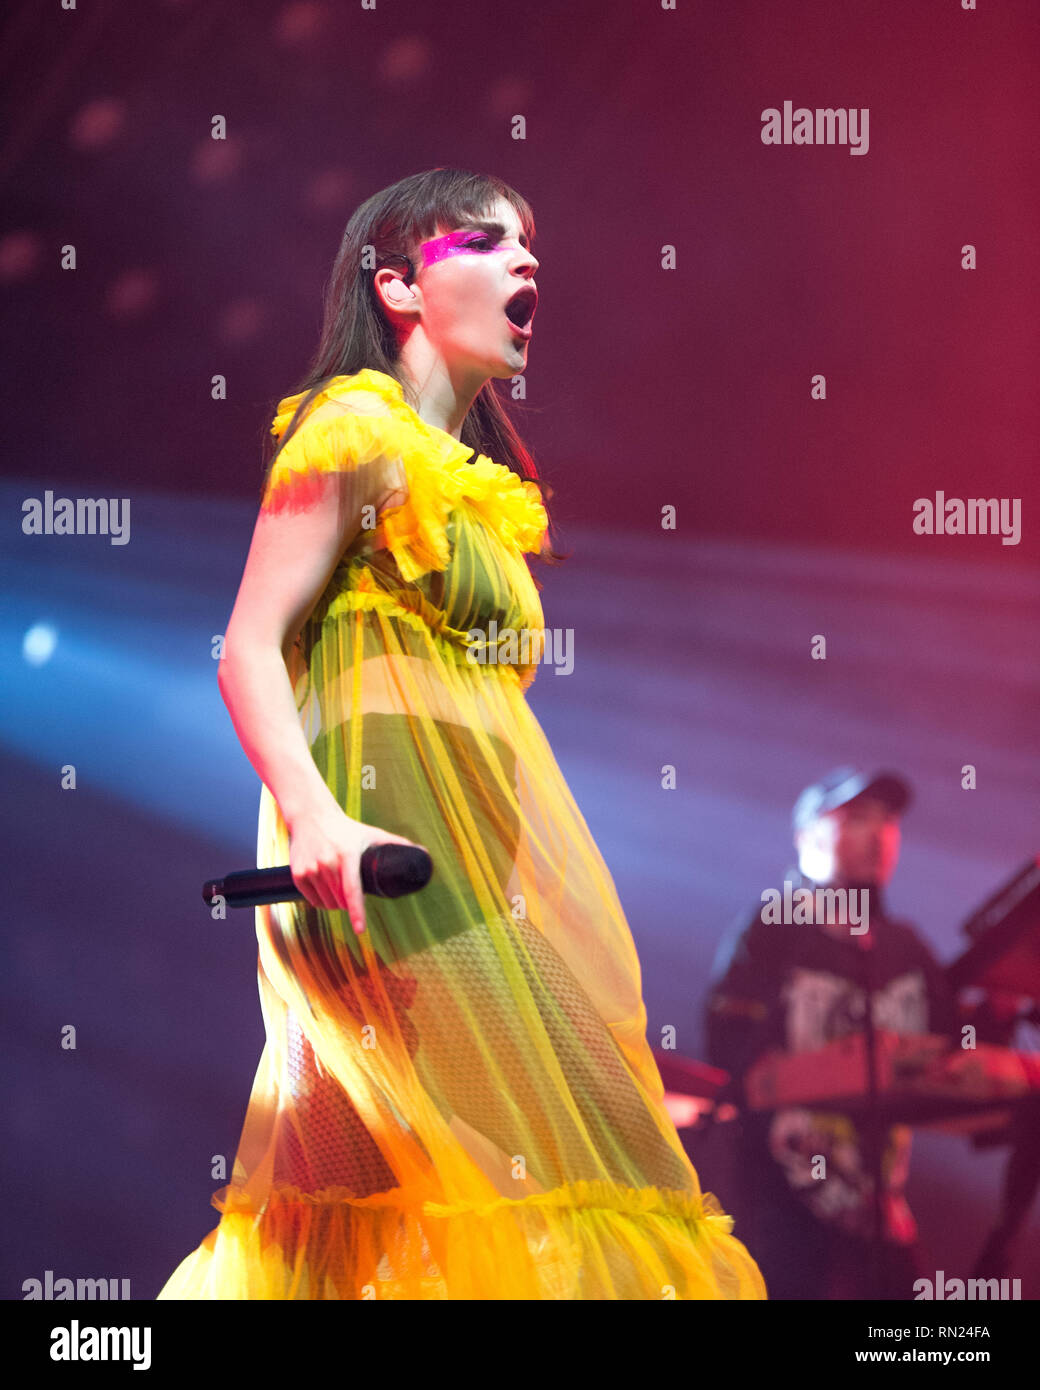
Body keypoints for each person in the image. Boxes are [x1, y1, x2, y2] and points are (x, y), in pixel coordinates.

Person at [158, 168, 765, 1300]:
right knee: (585, 1153)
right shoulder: (348, 428)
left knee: (343, 1213)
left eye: (529, 243)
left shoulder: (479, 490)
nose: (526, 260)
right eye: (484, 241)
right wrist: (315, 813)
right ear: (396, 286)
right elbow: (247, 644)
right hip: (374, 859)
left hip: (464, 865)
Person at [704, 768, 959, 1300]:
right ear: (806, 837)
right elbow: (729, 1056)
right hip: (778, 1205)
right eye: (857, 818)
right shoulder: (773, 928)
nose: (880, 834)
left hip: (879, 1212)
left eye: (889, 822)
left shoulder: (905, 948)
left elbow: (955, 1048)